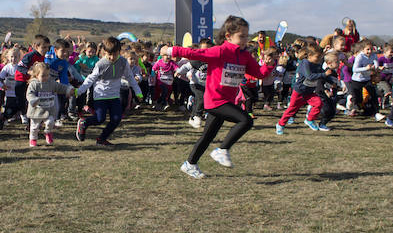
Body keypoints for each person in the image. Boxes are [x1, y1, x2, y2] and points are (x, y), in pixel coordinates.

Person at [162, 15, 261, 178]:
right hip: (215, 100)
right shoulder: (220, 51)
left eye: (247, 36)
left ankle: (190, 164)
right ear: (228, 35)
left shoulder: (244, 56)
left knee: (208, 135)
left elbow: (258, 73)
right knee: (246, 120)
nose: (245, 39)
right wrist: (171, 50)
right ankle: (222, 150)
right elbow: (194, 53)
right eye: (241, 36)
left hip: (226, 100)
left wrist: (271, 65)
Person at [74, 36, 143, 147]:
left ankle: (101, 139)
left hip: (114, 96)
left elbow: (130, 77)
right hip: (101, 95)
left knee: (116, 119)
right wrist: (79, 91)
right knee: (100, 119)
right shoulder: (101, 64)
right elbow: (90, 78)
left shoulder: (123, 62)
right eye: (108, 54)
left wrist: (138, 92)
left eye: (114, 54)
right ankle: (84, 123)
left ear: (119, 52)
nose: (111, 57)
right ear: (104, 52)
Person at [276, 43, 332, 134]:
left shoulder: (317, 64)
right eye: (317, 57)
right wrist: (324, 74)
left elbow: (322, 74)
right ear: (309, 55)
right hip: (299, 92)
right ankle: (280, 124)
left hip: (309, 92)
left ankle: (310, 119)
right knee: (291, 110)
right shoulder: (305, 63)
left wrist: (331, 81)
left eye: (320, 57)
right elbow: (309, 76)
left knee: (318, 103)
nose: (319, 59)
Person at [26, 62, 74, 146]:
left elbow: (60, 87)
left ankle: (48, 133)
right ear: (37, 75)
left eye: (47, 75)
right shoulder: (33, 84)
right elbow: (29, 94)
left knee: (50, 122)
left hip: (48, 109)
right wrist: (33, 100)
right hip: (36, 110)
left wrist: (68, 89)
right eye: (43, 75)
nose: (46, 77)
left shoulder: (51, 83)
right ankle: (33, 139)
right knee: (34, 127)